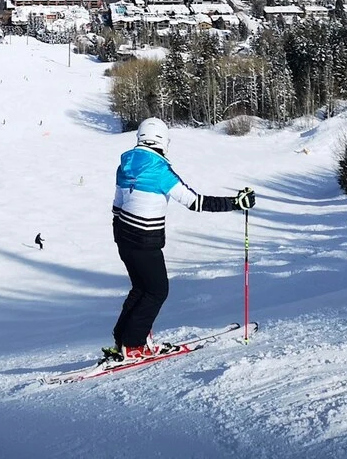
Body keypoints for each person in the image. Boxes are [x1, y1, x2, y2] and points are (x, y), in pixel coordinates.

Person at [104, 118, 254, 364]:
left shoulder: (125, 165)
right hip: (145, 238)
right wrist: (235, 203)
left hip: (124, 236)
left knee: (141, 288)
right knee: (156, 291)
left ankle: (123, 339)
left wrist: (121, 234)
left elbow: (117, 205)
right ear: (163, 140)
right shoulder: (160, 170)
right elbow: (195, 201)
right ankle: (133, 345)